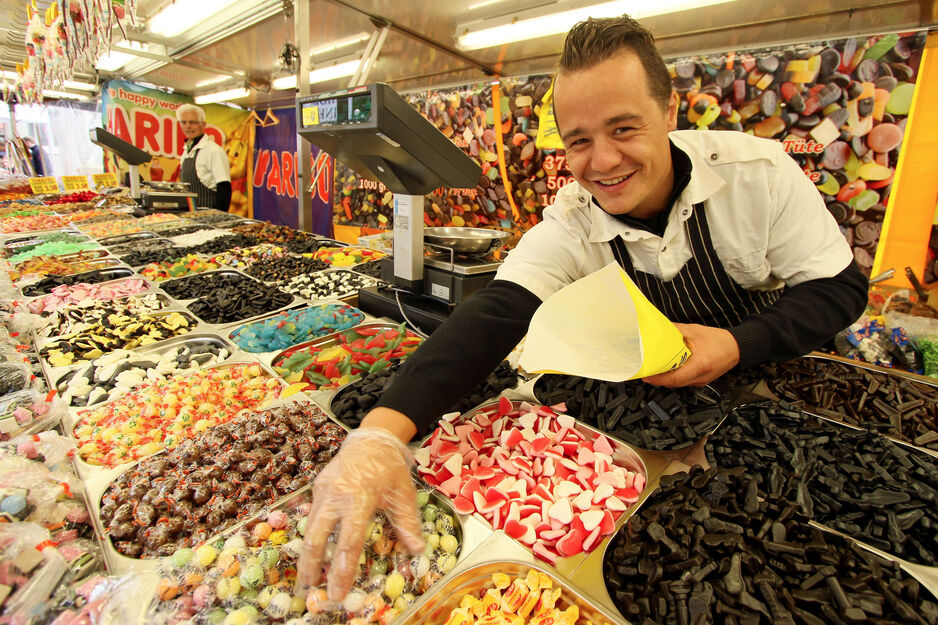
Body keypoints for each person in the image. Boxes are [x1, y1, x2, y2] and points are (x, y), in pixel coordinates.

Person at [296, 15, 869, 600]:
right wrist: (380, 435)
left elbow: (841, 289)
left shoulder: (759, 174)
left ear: (669, 112)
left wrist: (739, 344)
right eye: (578, 141)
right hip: (663, 413)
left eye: (624, 128)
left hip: (770, 397)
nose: (602, 162)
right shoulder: (572, 216)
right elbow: (494, 313)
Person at [176, 104, 232, 211]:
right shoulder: (186, 151)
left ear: (203, 125)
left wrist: (219, 217)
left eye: (192, 122)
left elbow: (224, 187)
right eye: (184, 122)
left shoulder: (213, 150)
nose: (188, 126)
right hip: (191, 213)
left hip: (210, 213)